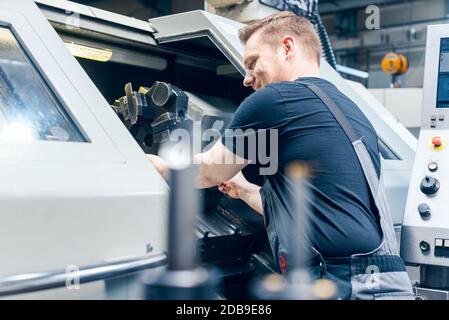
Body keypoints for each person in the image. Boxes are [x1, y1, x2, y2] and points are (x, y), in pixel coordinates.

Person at [148, 11, 414, 300]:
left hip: (341, 284)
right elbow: (324, 208)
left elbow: (207, 172)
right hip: (387, 283)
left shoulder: (275, 99)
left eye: (252, 63)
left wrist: (156, 164)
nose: (246, 79)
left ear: (287, 47)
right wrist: (247, 191)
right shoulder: (349, 109)